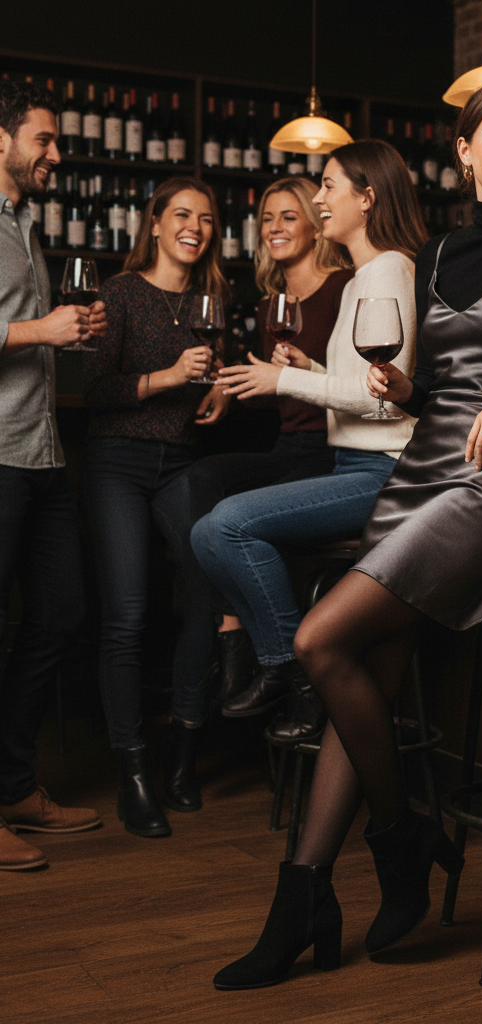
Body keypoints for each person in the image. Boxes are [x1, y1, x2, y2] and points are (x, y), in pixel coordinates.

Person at [208, 81, 482, 989]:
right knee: (366, 673)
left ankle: (402, 841)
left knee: (322, 638)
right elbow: (431, 386)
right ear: (464, 151)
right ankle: (306, 892)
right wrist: (402, 390)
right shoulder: (435, 253)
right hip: (419, 473)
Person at [190, 139, 426, 748]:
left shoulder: (389, 269)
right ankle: (289, 666)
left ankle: (292, 669)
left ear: (366, 198)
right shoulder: (360, 281)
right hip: (355, 461)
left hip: (383, 471)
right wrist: (313, 370)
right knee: (207, 529)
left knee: (224, 527)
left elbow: (385, 398)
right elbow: (365, 385)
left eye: (328, 186)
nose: (318, 199)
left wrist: (284, 379)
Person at [82, 176, 230, 839]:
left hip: (182, 462)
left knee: (204, 594)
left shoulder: (210, 297)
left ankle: (182, 756)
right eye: (182, 215)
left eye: (205, 217)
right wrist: (168, 378)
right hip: (118, 459)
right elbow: (94, 389)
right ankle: (133, 772)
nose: (194, 226)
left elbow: (212, 372)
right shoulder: (118, 293)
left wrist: (220, 389)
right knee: (129, 613)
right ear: (155, 223)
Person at [188, 177, 353, 714]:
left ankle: (278, 665)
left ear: (313, 222)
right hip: (290, 447)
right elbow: (275, 395)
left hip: (333, 451)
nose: (275, 228)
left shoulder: (344, 287)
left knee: (235, 521)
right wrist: (228, 388)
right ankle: (232, 624)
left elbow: (358, 388)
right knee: (204, 481)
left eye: (288, 216)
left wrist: (293, 375)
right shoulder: (270, 306)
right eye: (267, 219)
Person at [0, 80, 105, 871]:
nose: (56, 154)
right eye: (44, 139)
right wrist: (42, 327)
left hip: (42, 451)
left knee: (62, 614)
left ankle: (11, 785)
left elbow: (25, 335)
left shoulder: (27, 224)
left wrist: (66, 333)